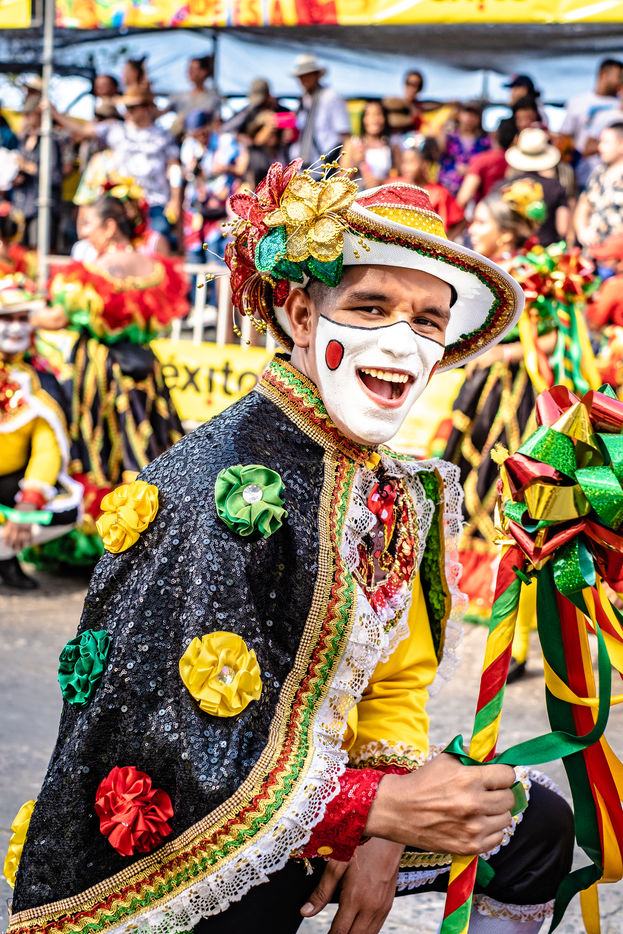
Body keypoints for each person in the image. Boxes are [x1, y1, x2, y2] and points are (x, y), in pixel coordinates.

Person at [7, 161, 575, 934]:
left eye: (426, 321)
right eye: (370, 307)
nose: (400, 342)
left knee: (530, 823)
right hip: (197, 840)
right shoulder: (210, 485)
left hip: (334, 800)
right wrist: (368, 809)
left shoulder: (388, 484)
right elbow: (165, 745)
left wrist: (383, 824)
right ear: (302, 315)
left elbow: (393, 683)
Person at [26, 193, 188, 567]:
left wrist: (18, 314)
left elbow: (57, 319)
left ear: (110, 227)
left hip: (99, 372)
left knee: (97, 449)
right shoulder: (154, 268)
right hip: (144, 370)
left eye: (89, 225)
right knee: (147, 444)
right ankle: (149, 534)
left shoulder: (93, 273)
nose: (84, 233)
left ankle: (101, 538)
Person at [442, 181, 558, 623]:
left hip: (513, 391)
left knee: (498, 473)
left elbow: (551, 337)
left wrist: (502, 354)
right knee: (470, 467)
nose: (473, 228)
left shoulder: (528, 274)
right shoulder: (485, 271)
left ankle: (495, 581)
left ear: (505, 234)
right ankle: (457, 574)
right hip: (482, 389)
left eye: (482, 221)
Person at [0, 280, 81, 590]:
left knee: (63, 509)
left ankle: (6, 556)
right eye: (6, 318)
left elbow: (47, 448)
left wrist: (29, 502)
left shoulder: (40, 381)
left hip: (8, 483)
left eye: (23, 318)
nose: (15, 327)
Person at [51, 88, 182, 241]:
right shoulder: (115, 129)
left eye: (132, 107)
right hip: (123, 204)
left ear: (146, 108)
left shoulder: (164, 136)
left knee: (155, 241)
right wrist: (55, 114)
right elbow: (84, 130)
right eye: (125, 107)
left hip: (155, 203)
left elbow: (174, 168)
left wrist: (175, 199)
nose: (127, 112)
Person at [560, 57, 623, 185]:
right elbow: (565, 138)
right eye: (619, 76)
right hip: (583, 174)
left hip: (615, 177)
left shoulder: (619, 105)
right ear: (603, 75)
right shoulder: (577, 102)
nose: (620, 82)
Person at [504, 127, 570, 245]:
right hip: (546, 252)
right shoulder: (556, 187)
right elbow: (563, 228)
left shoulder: (505, 187)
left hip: (512, 250)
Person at [12, 104, 63, 249]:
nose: (26, 118)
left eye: (29, 114)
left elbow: (54, 176)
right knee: (19, 251)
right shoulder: (23, 141)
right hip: (22, 208)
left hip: (42, 208)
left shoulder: (49, 141)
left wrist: (29, 167)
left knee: (38, 250)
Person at [396, 136, 464, 238]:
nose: (405, 167)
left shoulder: (438, 193)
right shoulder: (396, 187)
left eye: (411, 162)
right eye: (404, 162)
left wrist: (446, 242)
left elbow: (460, 220)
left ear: (425, 165)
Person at [290, 54, 350, 169]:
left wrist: (343, 168)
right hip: (302, 168)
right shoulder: (303, 99)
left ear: (317, 75)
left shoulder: (331, 97)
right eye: (301, 77)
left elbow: (345, 136)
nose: (304, 80)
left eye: (307, 75)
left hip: (325, 165)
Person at [574, 122, 623, 247]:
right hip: (593, 251)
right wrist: (582, 231)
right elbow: (583, 205)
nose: (600, 148)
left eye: (606, 143)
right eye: (600, 142)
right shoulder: (598, 173)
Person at [457, 118, 516, 211]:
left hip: (486, 214)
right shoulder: (518, 162)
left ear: (495, 135)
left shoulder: (482, 160)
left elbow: (463, 198)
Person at [340, 100, 398, 189]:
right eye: (369, 114)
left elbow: (400, 178)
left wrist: (381, 182)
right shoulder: (353, 144)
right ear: (363, 119)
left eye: (378, 114)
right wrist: (354, 162)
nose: (374, 119)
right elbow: (341, 180)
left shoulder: (391, 145)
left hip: (383, 195)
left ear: (384, 118)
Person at [438, 100, 491, 196]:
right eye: (466, 113)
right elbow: (438, 150)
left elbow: (487, 165)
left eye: (474, 115)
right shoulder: (449, 136)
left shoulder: (485, 141)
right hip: (446, 190)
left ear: (479, 119)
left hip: (471, 193)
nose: (469, 118)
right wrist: (449, 120)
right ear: (459, 115)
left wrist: (470, 170)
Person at [168, 56, 220, 138]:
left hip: (201, 140)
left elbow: (216, 124)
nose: (189, 72)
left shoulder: (212, 98)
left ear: (203, 72)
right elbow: (159, 113)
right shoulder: (179, 97)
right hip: (179, 139)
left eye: (192, 69)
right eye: (188, 69)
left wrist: (200, 132)